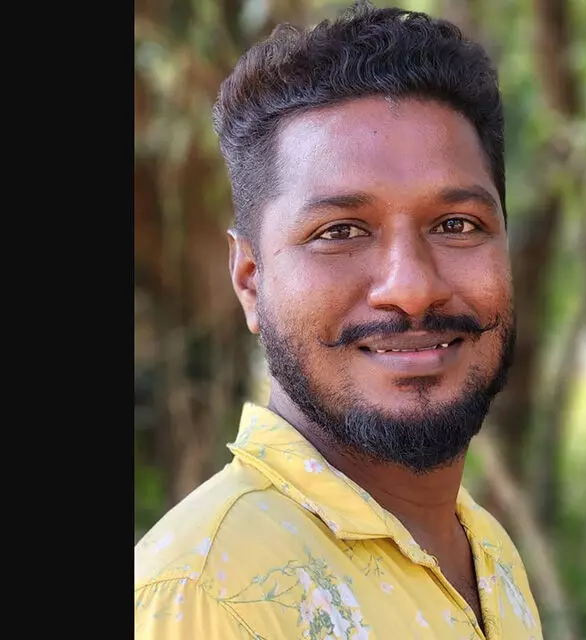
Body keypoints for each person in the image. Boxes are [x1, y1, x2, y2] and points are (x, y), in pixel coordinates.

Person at [134, 2, 543, 638]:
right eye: (340, 231)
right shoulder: (204, 596)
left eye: (456, 224)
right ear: (250, 280)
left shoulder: (489, 553)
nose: (412, 289)